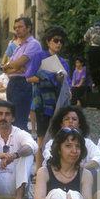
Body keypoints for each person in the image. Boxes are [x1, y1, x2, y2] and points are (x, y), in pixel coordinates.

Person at [25, 25, 70, 175]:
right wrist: (51, 77)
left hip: (58, 104)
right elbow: (29, 77)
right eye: (56, 40)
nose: (59, 44)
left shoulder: (64, 62)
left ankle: (55, 171)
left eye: (61, 41)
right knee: (42, 138)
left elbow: (67, 87)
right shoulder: (39, 56)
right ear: (48, 41)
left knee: (59, 138)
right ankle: (39, 173)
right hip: (43, 103)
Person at [2, 17, 42, 132]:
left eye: (20, 27)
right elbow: (7, 70)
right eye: (15, 28)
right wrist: (11, 68)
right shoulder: (19, 47)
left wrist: (9, 66)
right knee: (11, 120)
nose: (17, 30)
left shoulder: (33, 44)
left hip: (23, 84)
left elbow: (19, 63)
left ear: (29, 28)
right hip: (13, 83)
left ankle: (21, 148)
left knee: (20, 120)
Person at [43, 106, 100, 171]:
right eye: (67, 119)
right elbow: (48, 158)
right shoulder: (52, 143)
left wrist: (83, 166)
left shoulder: (87, 142)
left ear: (79, 124)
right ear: (61, 124)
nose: (70, 121)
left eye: (74, 119)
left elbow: (99, 157)